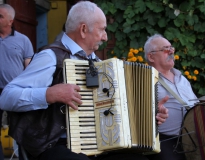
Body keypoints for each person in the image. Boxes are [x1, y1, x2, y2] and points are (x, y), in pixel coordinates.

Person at [0, 2, 168, 160]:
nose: (105, 37)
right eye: (102, 30)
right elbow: (7, 97)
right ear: (83, 29)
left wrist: (149, 113)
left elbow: (116, 111)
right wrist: (49, 94)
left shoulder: (99, 65)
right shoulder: (51, 57)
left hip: (97, 144)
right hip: (53, 143)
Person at [144, 34, 198, 160]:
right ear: (151, 57)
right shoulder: (145, 80)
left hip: (194, 138)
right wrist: (153, 113)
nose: (171, 51)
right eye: (165, 49)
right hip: (166, 140)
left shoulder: (182, 78)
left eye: (171, 48)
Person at [0, 4, 34, 160]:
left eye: (0, 16)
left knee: (22, 131)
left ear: (10, 21)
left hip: (16, 91)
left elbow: (29, 68)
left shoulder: (23, 40)